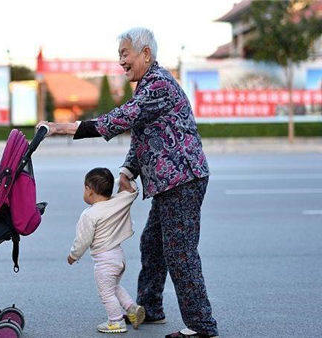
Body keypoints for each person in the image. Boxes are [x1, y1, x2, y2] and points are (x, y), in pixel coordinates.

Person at [38, 27, 218, 338]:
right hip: (170, 182)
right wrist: (128, 170)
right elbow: (142, 133)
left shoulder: (158, 85)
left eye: (125, 54)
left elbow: (120, 119)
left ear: (146, 54)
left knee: (181, 252)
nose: (121, 61)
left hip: (182, 179)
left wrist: (62, 127)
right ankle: (152, 307)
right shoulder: (148, 86)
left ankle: (202, 326)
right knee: (152, 245)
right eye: (119, 55)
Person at [68, 167, 145, 334]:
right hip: (118, 257)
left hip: (105, 262)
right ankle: (131, 308)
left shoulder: (89, 215)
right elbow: (132, 190)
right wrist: (119, 180)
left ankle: (116, 321)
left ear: (89, 190)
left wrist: (73, 256)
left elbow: (83, 240)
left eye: (84, 188)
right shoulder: (118, 203)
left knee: (106, 293)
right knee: (114, 287)